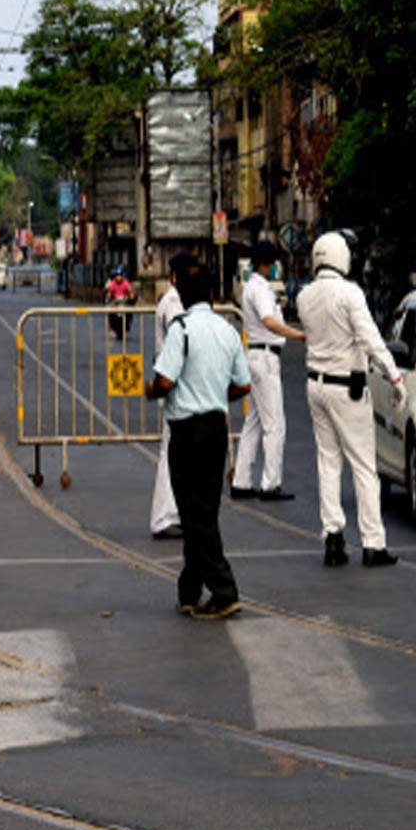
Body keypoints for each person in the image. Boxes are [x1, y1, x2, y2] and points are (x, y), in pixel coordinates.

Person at [145, 260, 251, 619]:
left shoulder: (183, 330)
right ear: (211, 292)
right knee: (203, 510)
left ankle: (224, 589)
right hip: (217, 428)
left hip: (187, 430)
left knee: (194, 514)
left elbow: (164, 381)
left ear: (182, 294)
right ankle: (189, 591)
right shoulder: (227, 331)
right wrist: (216, 395)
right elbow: (243, 384)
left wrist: (150, 389)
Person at [297, 231, 406, 568]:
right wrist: (395, 376)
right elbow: (371, 340)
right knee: (363, 467)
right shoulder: (349, 294)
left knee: (328, 463)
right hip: (348, 387)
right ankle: (373, 543)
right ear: (342, 257)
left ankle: (333, 538)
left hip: (316, 385)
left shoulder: (304, 296)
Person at [230, 241, 306, 502]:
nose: (276, 267)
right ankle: (270, 484)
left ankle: (241, 480)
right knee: (275, 425)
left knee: (254, 421)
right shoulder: (260, 290)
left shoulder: (251, 286)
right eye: (274, 263)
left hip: (256, 355)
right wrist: (297, 334)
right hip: (265, 357)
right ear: (268, 263)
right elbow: (269, 321)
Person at [149, 254, 188, 540]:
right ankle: (163, 517)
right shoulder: (173, 304)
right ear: (175, 277)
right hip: (173, 384)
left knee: (180, 454)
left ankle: (174, 513)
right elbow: (182, 341)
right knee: (171, 452)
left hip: (178, 383)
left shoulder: (180, 301)